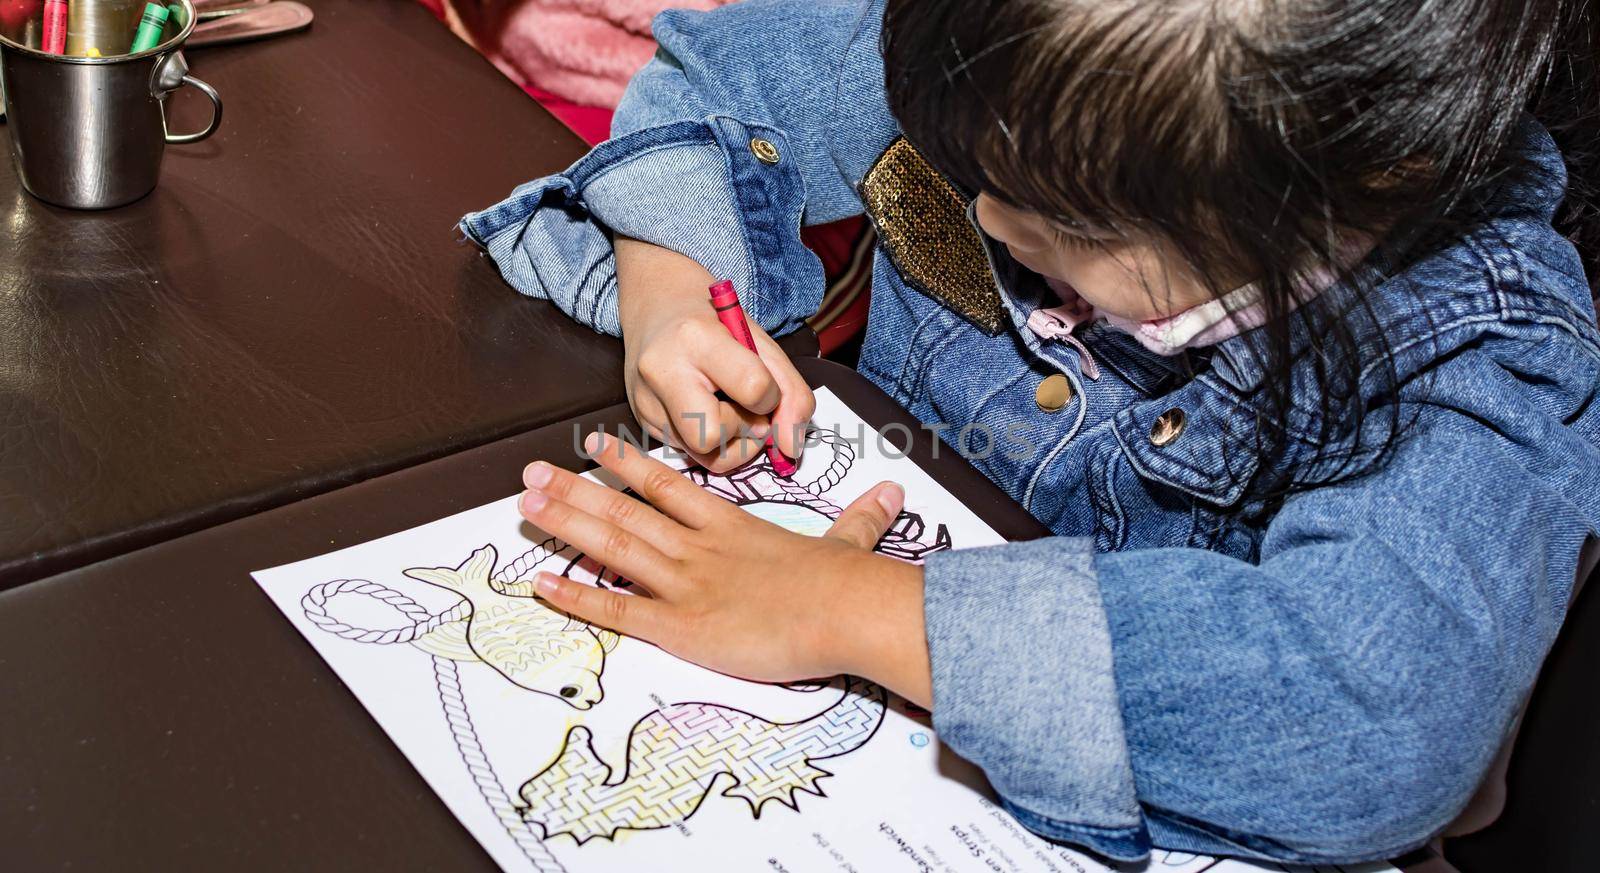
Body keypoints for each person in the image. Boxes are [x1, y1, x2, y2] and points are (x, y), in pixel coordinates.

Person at [459, 0, 1600, 863]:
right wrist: (673, 273)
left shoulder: (1484, 348)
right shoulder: (1021, 44)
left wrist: (837, 608)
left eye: (1064, 214)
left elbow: (1368, 719)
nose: (988, 214)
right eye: (969, 169)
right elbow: (738, 65)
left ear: (1348, 186)